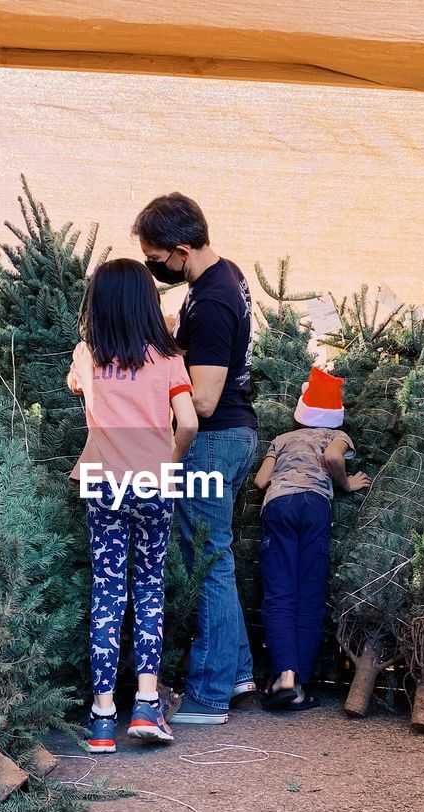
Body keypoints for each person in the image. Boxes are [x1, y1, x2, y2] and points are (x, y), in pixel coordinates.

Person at [133, 193, 259, 725]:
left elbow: (203, 400)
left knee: (208, 563)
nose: (153, 269)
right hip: (233, 435)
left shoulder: (209, 301)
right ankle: (237, 672)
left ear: (182, 249)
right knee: (218, 558)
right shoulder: (223, 275)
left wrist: (159, 362)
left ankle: (208, 696)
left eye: (155, 260)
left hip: (212, 439)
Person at [67, 259, 198, 753]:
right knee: (148, 587)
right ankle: (147, 706)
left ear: (96, 304)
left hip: (102, 481)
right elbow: (187, 422)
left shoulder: (86, 353)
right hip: (153, 483)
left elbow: (76, 385)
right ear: (149, 303)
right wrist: (168, 461)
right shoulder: (167, 360)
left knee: (107, 590)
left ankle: (102, 718)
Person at [253, 367, 370, 710]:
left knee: (279, 591)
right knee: (309, 593)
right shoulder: (338, 437)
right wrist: (345, 484)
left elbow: (261, 482)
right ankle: (299, 685)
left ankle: (284, 675)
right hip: (315, 507)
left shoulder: (283, 439)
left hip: (279, 506)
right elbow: (334, 458)